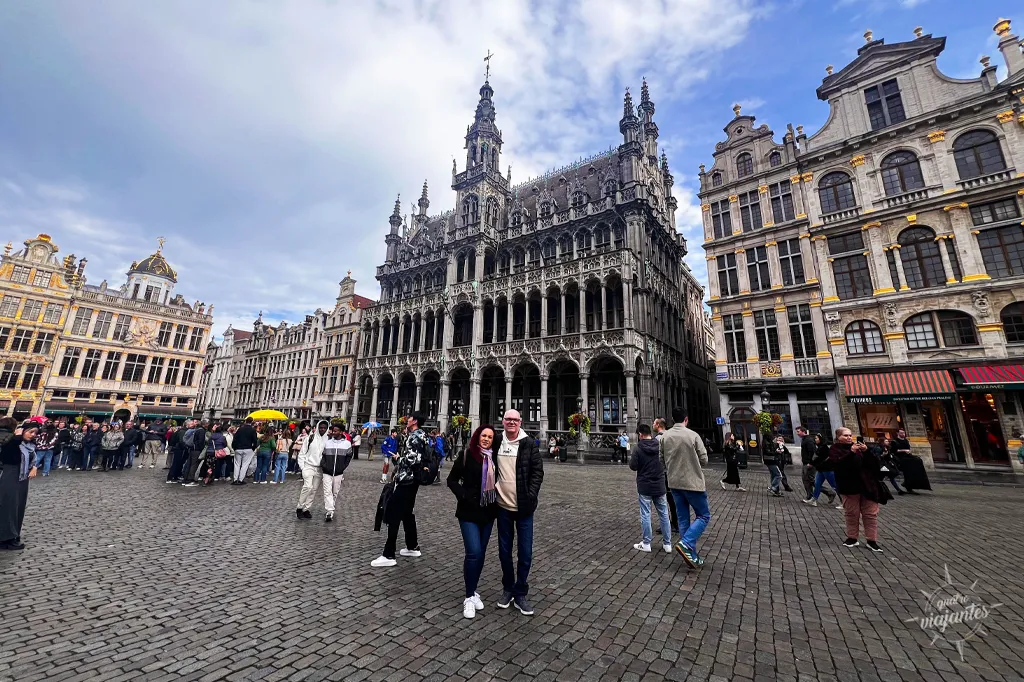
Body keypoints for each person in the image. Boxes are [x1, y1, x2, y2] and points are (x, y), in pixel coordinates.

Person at [492, 409, 543, 616]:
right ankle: (508, 588)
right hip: (502, 507)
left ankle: (520, 591)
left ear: (520, 422)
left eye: (515, 420)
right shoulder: (496, 441)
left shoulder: (529, 443)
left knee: (525, 552)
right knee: (504, 552)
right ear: (503, 422)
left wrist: (530, 495)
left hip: (523, 508)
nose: (511, 422)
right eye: (508, 419)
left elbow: (537, 472)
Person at [447, 424, 499, 619]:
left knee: (481, 554)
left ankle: (474, 589)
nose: (486, 439)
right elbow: (451, 480)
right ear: (477, 437)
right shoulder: (467, 455)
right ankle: (469, 597)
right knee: (473, 552)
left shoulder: (495, 458)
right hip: (468, 511)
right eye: (483, 435)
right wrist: (464, 496)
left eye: (490, 437)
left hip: (488, 511)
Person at [371, 412, 432, 567]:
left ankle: (389, 554)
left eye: (409, 418)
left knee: (393, 513)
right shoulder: (423, 435)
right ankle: (413, 546)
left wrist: (399, 459)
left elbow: (412, 460)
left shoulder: (414, 436)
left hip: (407, 479)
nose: (407, 420)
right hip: (415, 480)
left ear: (415, 421)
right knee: (407, 512)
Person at [818, 427, 890, 552]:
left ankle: (871, 540)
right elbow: (839, 465)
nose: (849, 437)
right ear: (838, 437)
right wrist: (850, 452)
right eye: (845, 435)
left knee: (870, 514)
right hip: (849, 486)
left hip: (868, 485)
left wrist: (867, 451)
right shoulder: (835, 449)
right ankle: (852, 537)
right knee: (852, 513)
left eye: (850, 435)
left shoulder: (860, 449)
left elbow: (874, 464)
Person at [661, 408, 710, 568]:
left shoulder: (665, 436)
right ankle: (686, 543)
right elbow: (704, 460)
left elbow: (661, 459)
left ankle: (691, 555)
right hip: (692, 482)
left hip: (674, 483)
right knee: (703, 516)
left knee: (683, 519)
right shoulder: (693, 435)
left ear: (672, 419)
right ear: (686, 419)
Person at [629, 424, 672, 553]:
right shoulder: (660, 445)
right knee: (664, 514)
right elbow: (666, 462)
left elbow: (633, 466)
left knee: (646, 514)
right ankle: (667, 544)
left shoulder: (638, 448)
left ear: (641, 435)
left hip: (645, 485)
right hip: (659, 484)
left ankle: (647, 543)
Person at [0, 418, 39, 550]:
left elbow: (33, 459)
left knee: (18, 507)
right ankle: (5, 538)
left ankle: (14, 534)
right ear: (22, 431)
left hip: (22, 479)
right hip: (10, 476)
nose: (33, 435)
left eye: (35, 433)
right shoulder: (13, 441)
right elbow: (6, 457)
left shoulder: (29, 445)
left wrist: (34, 467)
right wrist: (16, 439)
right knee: (8, 507)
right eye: (30, 432)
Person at [319, 424, 353, 522]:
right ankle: (329, 511)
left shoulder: (347, 444)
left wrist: (342, 467)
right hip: (327, 471)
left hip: (338, 472)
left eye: (336, 431)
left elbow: (349, 456)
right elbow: (323, 455)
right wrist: (324, 465)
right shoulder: (328, 442)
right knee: (327, 491)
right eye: (333, 431)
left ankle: (331, 509)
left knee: (334, 492)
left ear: (341, 432)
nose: (334, 432)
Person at [297, 421, 329, 519]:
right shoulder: (310, 438)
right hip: (308, 466)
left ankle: (306, 509)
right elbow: (302, 453)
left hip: (320, 469)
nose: (322, 429)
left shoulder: (328, 440)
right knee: (307, 486)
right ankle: (299, 507)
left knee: (314, 490)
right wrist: (303, 467)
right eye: (321, 427)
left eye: (324, 428)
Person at [891, 429, 931, 495]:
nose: (903, 434)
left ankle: (916, 482)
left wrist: (908, 451)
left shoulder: (906, 441)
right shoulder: (894, 441)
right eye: (901, 433)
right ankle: (908, 484)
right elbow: (894, 451)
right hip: (900, 458)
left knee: (918, 460)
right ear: (897, 433)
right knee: (909, 465)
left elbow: (908, 448)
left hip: (907, 456)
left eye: (904, 433)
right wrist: (903, 450)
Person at [231, 417, 259, 485]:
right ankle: (240, 479)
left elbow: (235, 439)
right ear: (252, 422)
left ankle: (235, 479)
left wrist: (234, 447)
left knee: (237, 464)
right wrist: (253, 448)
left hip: (238, 448)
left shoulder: (240, 429)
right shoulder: (252, 430)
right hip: (248, 448)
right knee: (245, 464)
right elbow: (255, 441)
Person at [182, 420, 208, 487]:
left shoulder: (196, 429)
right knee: (194, 464)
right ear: (205, 424)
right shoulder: (201, 431)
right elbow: (200, 441)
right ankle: (190, 480)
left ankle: (185, 479)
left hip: (192, 448)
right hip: (196, 450)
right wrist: (201, 449)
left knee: (190, 464)